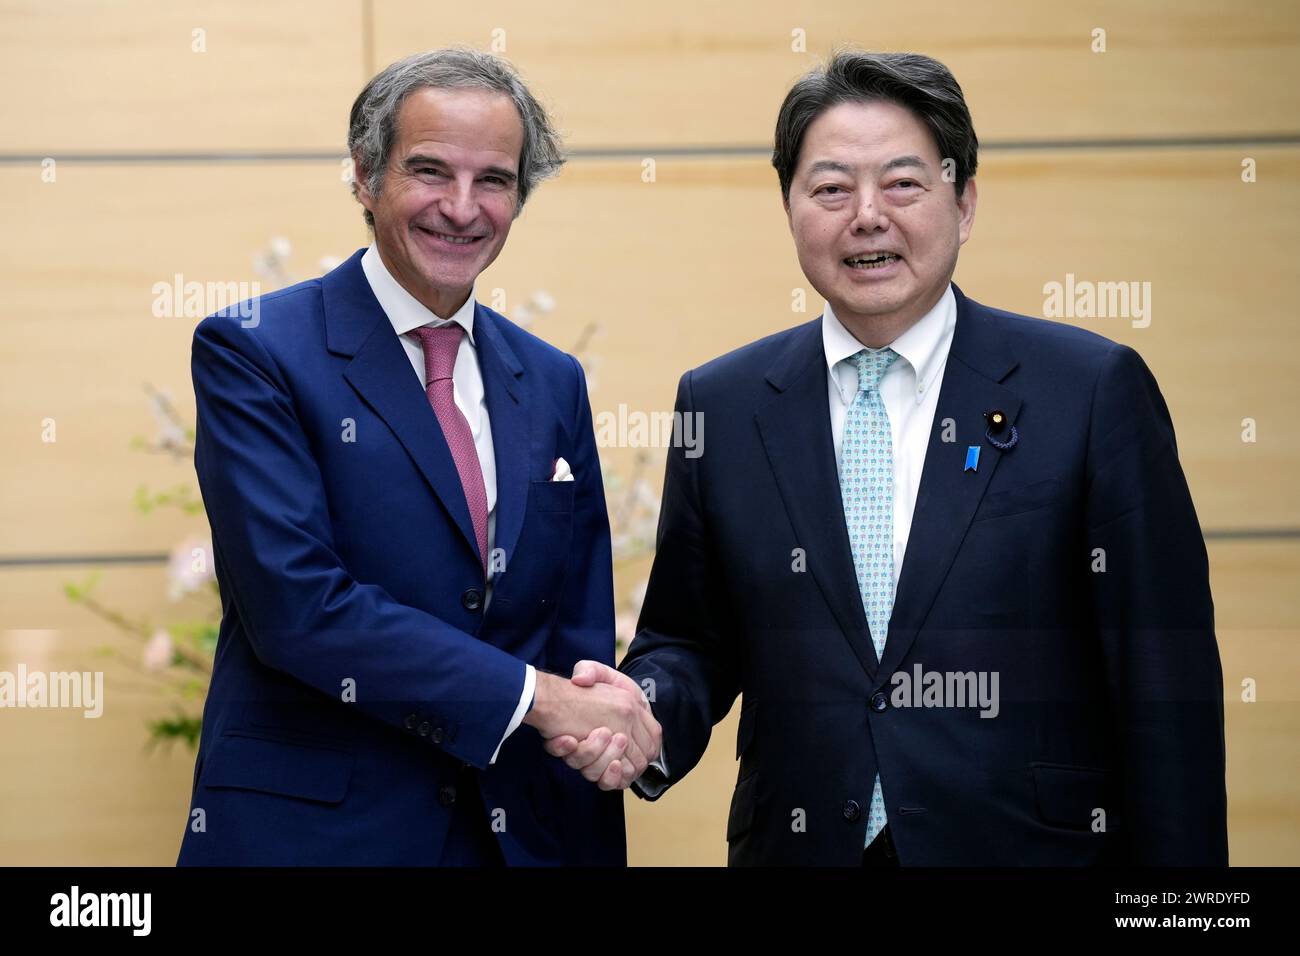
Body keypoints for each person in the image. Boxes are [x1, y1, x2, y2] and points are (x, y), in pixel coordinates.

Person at [545, 50, 1228, 866]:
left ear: (963, 201)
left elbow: (1164, 684)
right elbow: (691, 637)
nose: (866, 216)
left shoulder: (1088, 390)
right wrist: (640, 711)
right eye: (830, 188)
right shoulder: (723, 404)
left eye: (903, 183)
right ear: (790, 207)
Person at [178, 48, 658, 866]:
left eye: (495, 181)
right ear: (365, 177)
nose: (462, 208)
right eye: (429, 170)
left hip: (517, 838)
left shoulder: (551, 379)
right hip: (319, 840)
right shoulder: (255, 351)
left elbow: (574, 636)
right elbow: (299, 609)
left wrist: (605, 731)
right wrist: (534, 700)